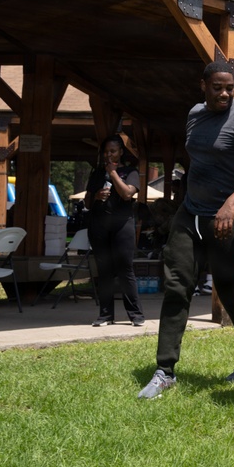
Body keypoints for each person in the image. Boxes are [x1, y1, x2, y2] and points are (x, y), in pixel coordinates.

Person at [138, 62, 234, 399]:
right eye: (218, 87)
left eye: (231, 88)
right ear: (204, 85)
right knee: (176, 285)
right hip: (191, 214)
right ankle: (165, 370)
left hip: (231, 217)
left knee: (230, 290)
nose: (225, 93)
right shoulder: (195, 114)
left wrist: (233, 201)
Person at [84, 134, 145, 327]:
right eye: (106, 152)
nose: (108, 155)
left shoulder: (130, 172)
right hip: (99, 226)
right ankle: (105, 315)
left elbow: (127, 194)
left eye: (113, 151)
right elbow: (86, 202)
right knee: (104, 272)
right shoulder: (96, 173)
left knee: (125, 269)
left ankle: (136, 315)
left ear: (120, 152)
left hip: (121, 225)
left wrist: (113, 174)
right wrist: (95, 197)